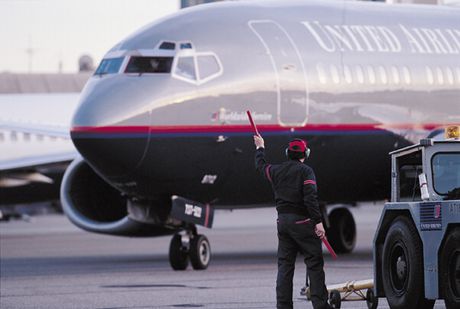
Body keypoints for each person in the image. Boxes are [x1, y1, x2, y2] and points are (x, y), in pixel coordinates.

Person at [254, 135, 331, 309]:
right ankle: (320, 305)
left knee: (285, 267)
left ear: (287, 153)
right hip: (302, 223)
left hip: (283, 223)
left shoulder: (276, 171)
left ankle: (283, 306)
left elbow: (261, 166)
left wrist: (260, 148)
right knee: (314, 263)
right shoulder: (306, 171)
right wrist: (318, 222)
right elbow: (310, 198)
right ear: (306, 154)